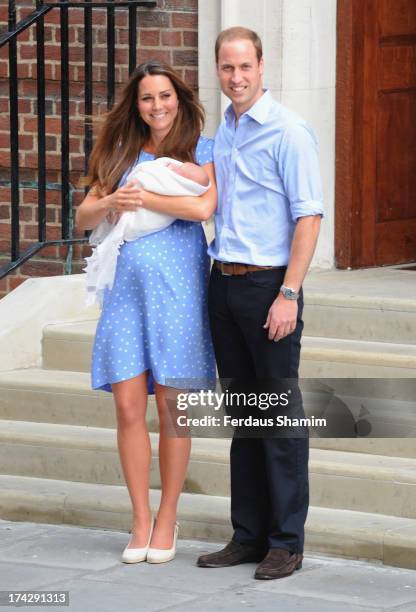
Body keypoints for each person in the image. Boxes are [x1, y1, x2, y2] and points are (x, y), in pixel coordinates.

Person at [76, 60, 217, 564]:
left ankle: (167, 517)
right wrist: (115, 198)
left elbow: (204, 209)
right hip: (126, 296)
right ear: (135, 105)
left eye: (164, 96)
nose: (156, 106)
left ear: (179, 98)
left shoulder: (202, 148)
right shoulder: (119, 152)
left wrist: (147, 197)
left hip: (178, 293)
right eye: (146, 98)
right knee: (129, 407)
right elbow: (85, 214)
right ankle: (139, 518)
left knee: (173, 411)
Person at [196, 27, 324, 580]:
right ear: (218, 71)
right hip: (223, 285)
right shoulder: (222, 130)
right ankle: (247, 535)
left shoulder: (289, 132)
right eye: (227, 68)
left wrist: (289, 293)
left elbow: (309, 216)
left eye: (245, 66)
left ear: (262, 66)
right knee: (245, 417)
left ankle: (285, 542)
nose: (236, 77)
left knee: (279, 418)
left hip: (270, 286)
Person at [84, 158, 210, 307]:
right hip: (124, 280)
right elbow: (83, 220)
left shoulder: (203, 150)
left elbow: (202, 210)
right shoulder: (123, 150)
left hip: (177, 280)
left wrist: (138, 195)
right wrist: (108, 203)